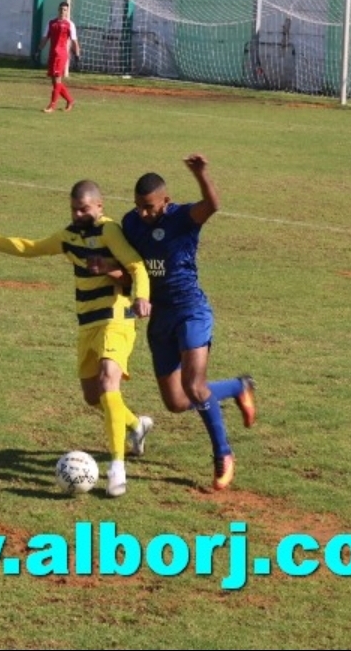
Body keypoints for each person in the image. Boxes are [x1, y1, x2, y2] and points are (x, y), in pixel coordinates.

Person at [0, 180, 153, 497]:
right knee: (93, 397)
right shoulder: (68, 236)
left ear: (99, 206)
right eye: (74, 208)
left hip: (116, 318)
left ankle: (117, 468)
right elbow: (29, 247)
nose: (78, 213)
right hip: (87, 323)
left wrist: (142, 296)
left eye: (84, 208)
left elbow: (136, 266)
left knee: (107, 382)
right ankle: (135, 425)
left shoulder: (109, 231)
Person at [115, 154, 257, 491]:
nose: (143, 213)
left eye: (150, 207)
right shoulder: (131, 223)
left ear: (166, 201)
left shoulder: (182, 217)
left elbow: (213, 204)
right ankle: (239, 387)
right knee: (178, 402)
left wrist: (202, 174)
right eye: (138, 207)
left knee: (195, 387)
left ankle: (223, 454)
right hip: (159, 318)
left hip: (191, 310)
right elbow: (127, 266)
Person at [37, 1, 81, 113]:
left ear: (67, 11)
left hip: (61, 55)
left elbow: (75, 41)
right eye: (61, 9)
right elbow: (45, 38)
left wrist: (77, 55)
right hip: (52, 54)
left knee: (57, 80)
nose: (63, 11)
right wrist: (38, 50)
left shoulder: (70, 24)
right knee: (55, 82)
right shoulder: (51, 23)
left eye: (65, 9)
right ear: (58, 10)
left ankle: (52, 106)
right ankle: (70, 100)